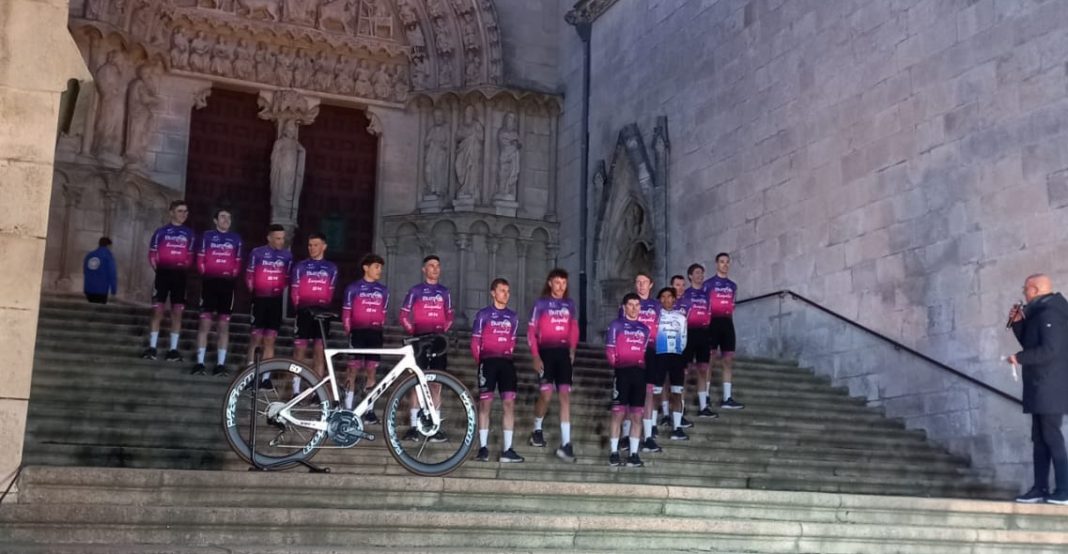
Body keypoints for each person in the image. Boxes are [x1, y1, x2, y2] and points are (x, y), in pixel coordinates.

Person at [1007, 274, 1068, 505]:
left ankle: (1064, 489)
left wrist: (1019, 358)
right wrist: (1018, 322)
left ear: (1035, 289)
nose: (1024, 293)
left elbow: (1050, 350)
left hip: (1050, 386)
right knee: (1040, 438)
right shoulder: (1040, 313)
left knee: (1052, 437)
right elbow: (1031, 343)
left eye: (1026, 289)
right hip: (1040, 386)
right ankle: (1040, 487)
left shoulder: (1052, 313)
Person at [399, 255, 454, 443]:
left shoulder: (444, 292)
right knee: (416, 381)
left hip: (438, 339)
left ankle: (434, 425)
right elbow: (403, 315)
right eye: (431, 265)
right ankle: (414, 427)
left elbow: (450, 316)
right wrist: (414, 332)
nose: (435, 268)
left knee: (436, 383)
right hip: (419, 339)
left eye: (438, 265)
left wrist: (440, 331)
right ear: (424, 269)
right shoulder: (415, 290)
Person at [528, 268, 580, 463]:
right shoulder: (541, 303)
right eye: (557, 283)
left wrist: (572, 349)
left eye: (564, 283)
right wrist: (535, 355)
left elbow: (573, 328)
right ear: (550, 283)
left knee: (565, 396)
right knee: (546, 394)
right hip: (545, 352)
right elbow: (531, 330)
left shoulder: (570, 304)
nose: (561, 287)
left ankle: (566, 444)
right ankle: (537, 429)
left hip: (563, 353)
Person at [470, 278, 524, 463]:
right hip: (488, 362)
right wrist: (482, 361)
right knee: (485, 405)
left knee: (509, 404)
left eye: (508, 291)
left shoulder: (513, 317)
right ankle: (483, 448)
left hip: (507, 363)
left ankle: (507, 450)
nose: (506, 294)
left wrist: (506, 354)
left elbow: (513, 340)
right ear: (493, 293)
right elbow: (475, 342)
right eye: (502, 291)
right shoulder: (483, 314)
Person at [141, 200, 194, 362]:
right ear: (171, 212)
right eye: (180, 211)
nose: (183, 214)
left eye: (185, 211)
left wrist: (182, 266)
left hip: (180, 275)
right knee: (158, 310)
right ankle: (152, 347)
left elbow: (191, 256)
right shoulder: (161, 232)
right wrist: (159, 269)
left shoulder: (189, 233)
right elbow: (152, 254)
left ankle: (173, 349)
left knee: (177, 312)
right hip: (163, 274)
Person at [192, 209, 242, 376]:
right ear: (215, 220)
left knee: (223, 325)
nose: (226, 220)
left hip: (227, 285)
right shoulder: (207, 236)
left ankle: (220, 364)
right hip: (209, 283)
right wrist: (206, 273)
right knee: (205, 323)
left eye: (228, 217)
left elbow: (238, 261)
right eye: (222, 217)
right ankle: (200, 363)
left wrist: (230, 275)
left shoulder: (236, 239)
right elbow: (200, 258)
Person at [605, 293, 651, 467]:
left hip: (639, 374)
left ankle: (633, 454)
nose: (634, 308)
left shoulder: (644, 329)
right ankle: (614, 452)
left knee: (637, 416)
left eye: (637, 305)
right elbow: (609, 349)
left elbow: (644, 352)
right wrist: (616, 364)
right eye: (630, 305)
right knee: (618, 413)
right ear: (624, 307)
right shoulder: (616, 325)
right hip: (622, 372)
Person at [341, 253, 389, 422]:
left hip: (375, 333)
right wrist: (350, 331)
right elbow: (346, 312)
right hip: (357, 332)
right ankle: (347, 408)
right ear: (366, 268)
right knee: (352, 369)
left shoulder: (383, 290)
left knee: (371, 370)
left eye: (381, 268)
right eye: (376, 267)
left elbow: (383, 313)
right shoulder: (353, 288)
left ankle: (369, 410)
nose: (379, 271)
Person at [290, 232, 338, 387]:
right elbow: (294, 290)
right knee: (299, 351)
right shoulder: (301, 266)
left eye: (316, 245)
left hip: (322, 312)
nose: (312, 248)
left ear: (324, 247)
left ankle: (317, 391)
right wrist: (300, 307)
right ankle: (295, 389)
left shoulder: (331, 268)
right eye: (310, 245)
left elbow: (331, 290)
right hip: (304, 310)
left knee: (319, 352)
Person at [245, 224, 293, 363]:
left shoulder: (287, 256)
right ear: (269, 238)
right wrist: (256, 291)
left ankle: (265, 377)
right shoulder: (257, 253)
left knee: (270, 339)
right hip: (259, 299)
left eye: (282, 238)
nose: (281, 241)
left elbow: (287, 278)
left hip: (275, 300)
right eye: (277, 238)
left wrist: (276, 289)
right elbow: (249, 275)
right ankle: (249, 374)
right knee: (256, 337)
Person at [705, 252, 744, 409]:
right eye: (722, 262)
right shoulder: (709, 284)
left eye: (727, 262)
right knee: (710, 359)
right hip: (712, 322)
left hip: (727, 323)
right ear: (716, 264)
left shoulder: (732, 286)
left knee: (728, 360)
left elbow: (732, 305)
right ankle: (705, 394)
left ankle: (727, 397)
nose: (725, 265)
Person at [680, 263, 718, 418]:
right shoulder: (685, 294)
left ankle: (704, 407)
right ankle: (679, 409)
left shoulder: (706, 295)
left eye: (702, 273)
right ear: (690, 276)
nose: (700, 276)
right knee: (685, 371)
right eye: (697, 273)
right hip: (688, 333)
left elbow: (709, 314)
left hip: (703, 333)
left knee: (703, 369)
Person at [655, 286, 690, 440]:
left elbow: (684, 339)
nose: (667, 299)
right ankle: (653, 427)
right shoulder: (656, 317)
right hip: (659, 356)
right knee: (656, 392)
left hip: (676, 356)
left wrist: (679, 354)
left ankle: (677, 428)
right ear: (659, 300)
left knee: (677, 392)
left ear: (674, 299)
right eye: (663, 297)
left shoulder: (681, 318)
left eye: (670, 296)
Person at [83, 237, 117, 304]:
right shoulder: (108, 256)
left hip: (89, 289)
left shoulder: (90, 255)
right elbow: (112, 274)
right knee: (99, 310)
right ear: (108, 246)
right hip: (101, 290)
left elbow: (85, 271)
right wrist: (113, 290)